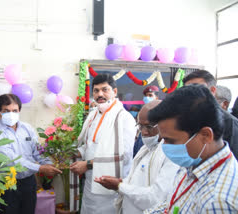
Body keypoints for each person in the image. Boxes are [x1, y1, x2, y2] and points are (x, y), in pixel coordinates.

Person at [145, 84, 238, 213]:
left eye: (170, 140)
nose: (165, 146)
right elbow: (172, 206)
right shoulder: (194, 162)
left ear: (206, 135)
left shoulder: (216, 201)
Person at [94, 100, 179, 214]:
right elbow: (137, 183)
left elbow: (155, 199)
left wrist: (120, 186)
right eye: (140, 125)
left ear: (165, 124)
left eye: (149, 126)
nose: (143, 132)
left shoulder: (172, 154)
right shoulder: (145, 149)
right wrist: (120, 182)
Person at [70, 74, 137, 214]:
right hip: (90, 182)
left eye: (105, 89)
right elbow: (90, 144)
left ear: (114, 92)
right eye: (96, 90)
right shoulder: (93, 115)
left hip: (110, 183)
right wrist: (78, 152)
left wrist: (87, 164)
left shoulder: (124, 118)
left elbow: (124, 155)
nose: (100, 94)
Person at [0, 94, 62, 214]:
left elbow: (38, 150)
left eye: (14, 111)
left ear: (19, 111)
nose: (11, 114)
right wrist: (40, 168)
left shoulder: (27, 128)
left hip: (28, 182)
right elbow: (11, 160)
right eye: (6, 111)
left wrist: (49, 164)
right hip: (7, 184)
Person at [183, 70, 238, 160]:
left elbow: (233, 158)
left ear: (212, 90)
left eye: (196, 89)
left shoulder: (230, 123)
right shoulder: (188, 117)